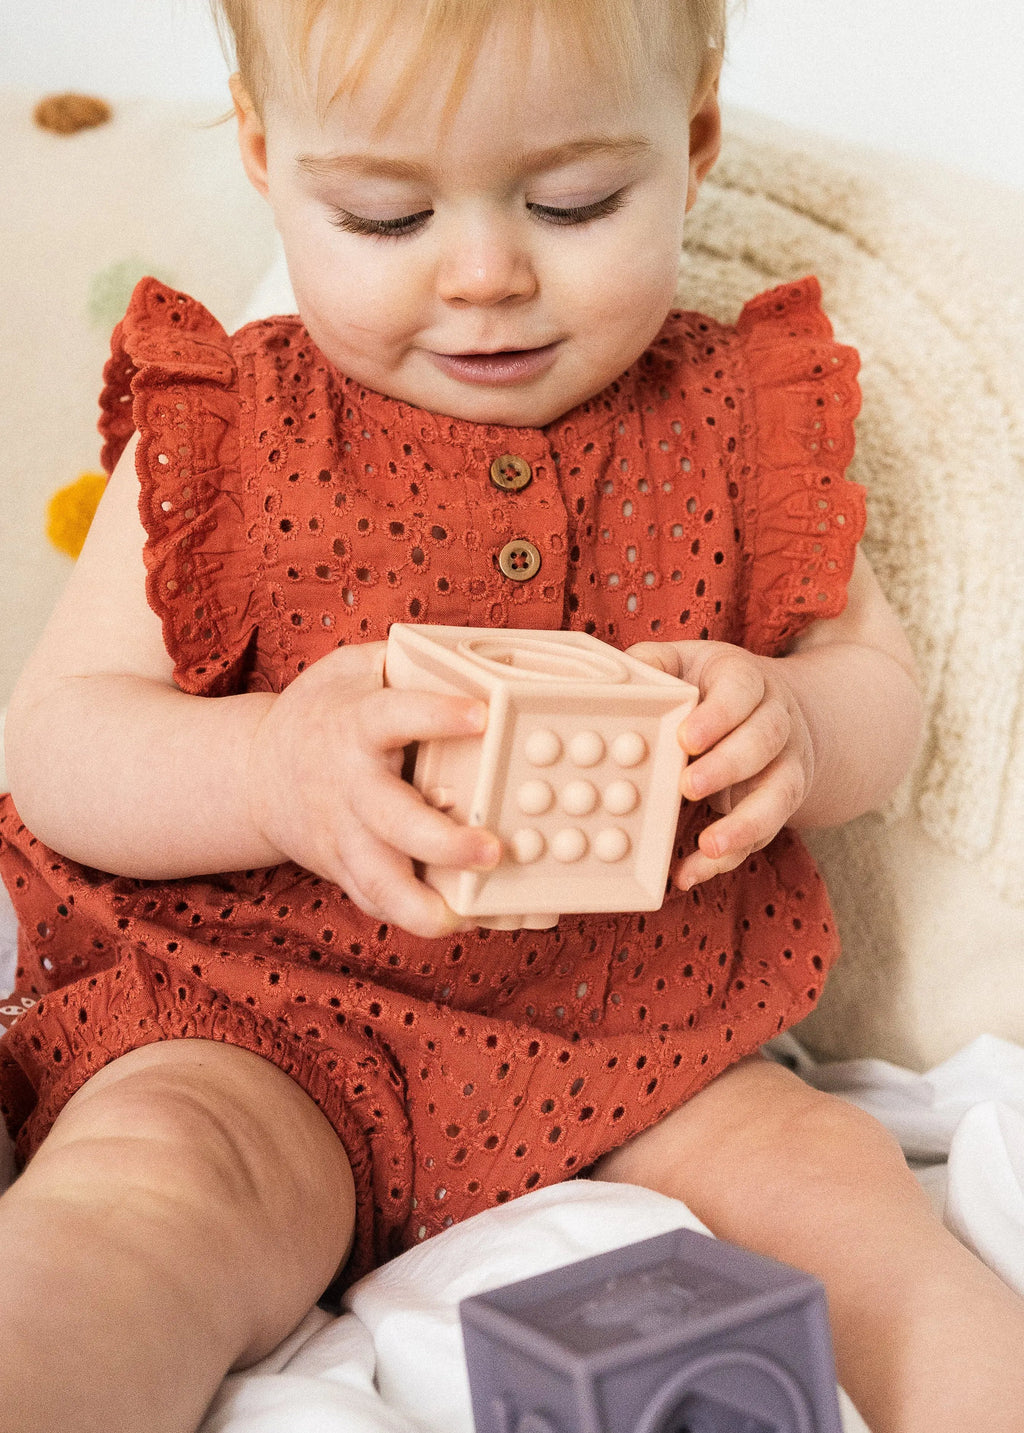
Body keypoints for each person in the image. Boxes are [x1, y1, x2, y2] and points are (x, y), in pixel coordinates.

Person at [1, 2, 1022, 1430]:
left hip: (648, 1031)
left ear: (696, 138)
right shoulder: (230, 421)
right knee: (136, 1199)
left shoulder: (742, 420)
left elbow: (878, 690)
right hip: (269, 1027)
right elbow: (57, 746)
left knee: (847, 1198)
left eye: (574, 200)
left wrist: (794, 718)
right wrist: (269, 767)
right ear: (263, 153)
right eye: (384, 214)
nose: (485, 275)